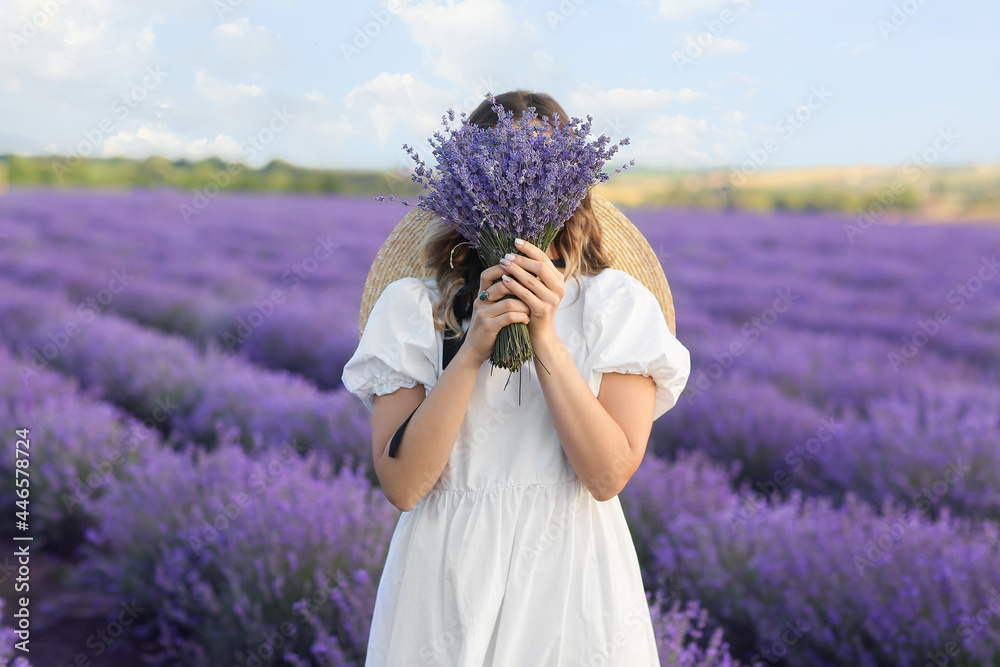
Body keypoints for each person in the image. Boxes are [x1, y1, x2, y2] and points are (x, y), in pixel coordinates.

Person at [341, 90, 691, 666]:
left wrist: (546, 335)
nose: (520, 180)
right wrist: (474, 347)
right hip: (446, 580)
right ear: (467, 186)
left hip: (572, 579)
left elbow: (606, 476)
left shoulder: (616, 306)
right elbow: (403, 486)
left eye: (540, 166)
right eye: (498, 162)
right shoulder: (414, 308)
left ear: (572, 187)